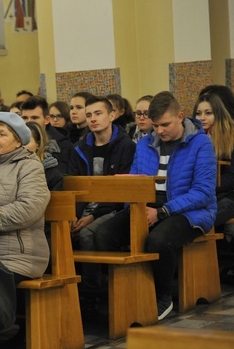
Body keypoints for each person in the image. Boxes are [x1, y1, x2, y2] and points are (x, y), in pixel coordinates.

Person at [95, 91, 217, 320]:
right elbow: (134, 180)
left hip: (190, 211)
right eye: (155, 126)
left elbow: (202, 193)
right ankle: (133, 290)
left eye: (165, 125)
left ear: (180, 116)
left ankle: (164, 296)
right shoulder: (145, 143)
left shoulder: (201, 143)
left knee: (159, 240)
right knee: (104, 234)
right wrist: (136, 209)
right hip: (148, 206)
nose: (159, 131)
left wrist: (162, 212)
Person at [0, 112, 50, 349]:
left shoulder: (30, 166)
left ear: (18, 141)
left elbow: (28, 208)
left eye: (2, 134)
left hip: (21, 254)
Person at [68, 95, 136, 296]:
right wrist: (72, 215)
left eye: (98, 113)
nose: (93, 119)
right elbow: (72, 185)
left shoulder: (126, 146)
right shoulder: (79, 148)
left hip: (113, 207)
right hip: (83, 209)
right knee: (58, 231)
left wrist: (93, 216)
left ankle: (92, 295)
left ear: (112, 115)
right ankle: (70, 293)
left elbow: (120, 190)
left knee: (88, 234)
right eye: (89, 115)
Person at [193, 93, 234, 230]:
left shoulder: (230, 137)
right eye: (198, 113)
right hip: (205, 194)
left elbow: (230, 177)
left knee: (199, 219)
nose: (202, 118)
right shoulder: (192, 137)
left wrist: (204, 187)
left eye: (208, 113)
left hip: (227, 195)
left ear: (218, 114)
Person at [20, 96, 72, 173]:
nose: (28, 122)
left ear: (47, 120)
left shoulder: (62, 145)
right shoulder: (14, 143)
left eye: (34, 118)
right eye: (25, 118)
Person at [25, 121, 63, 191]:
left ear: (38, 144)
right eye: (18, 140)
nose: (21, 145)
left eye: (26, 141)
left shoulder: (52, 174)